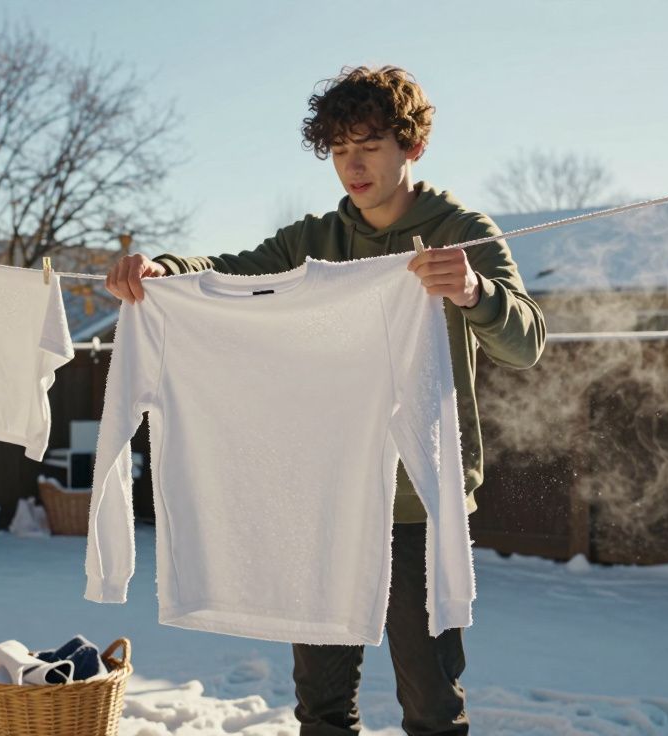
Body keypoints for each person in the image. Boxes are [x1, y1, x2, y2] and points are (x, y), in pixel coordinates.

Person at [104, 65, 546, 736]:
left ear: (411, 147)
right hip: (322, 500)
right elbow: (226, 275)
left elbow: (527, 343)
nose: (352, 165)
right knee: (321, 704)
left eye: (368, 145)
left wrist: (474, 291)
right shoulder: (311, 242)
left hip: (416, 505)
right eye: (339, 150)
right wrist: (163, 270)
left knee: (430, 703)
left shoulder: (459, 229)